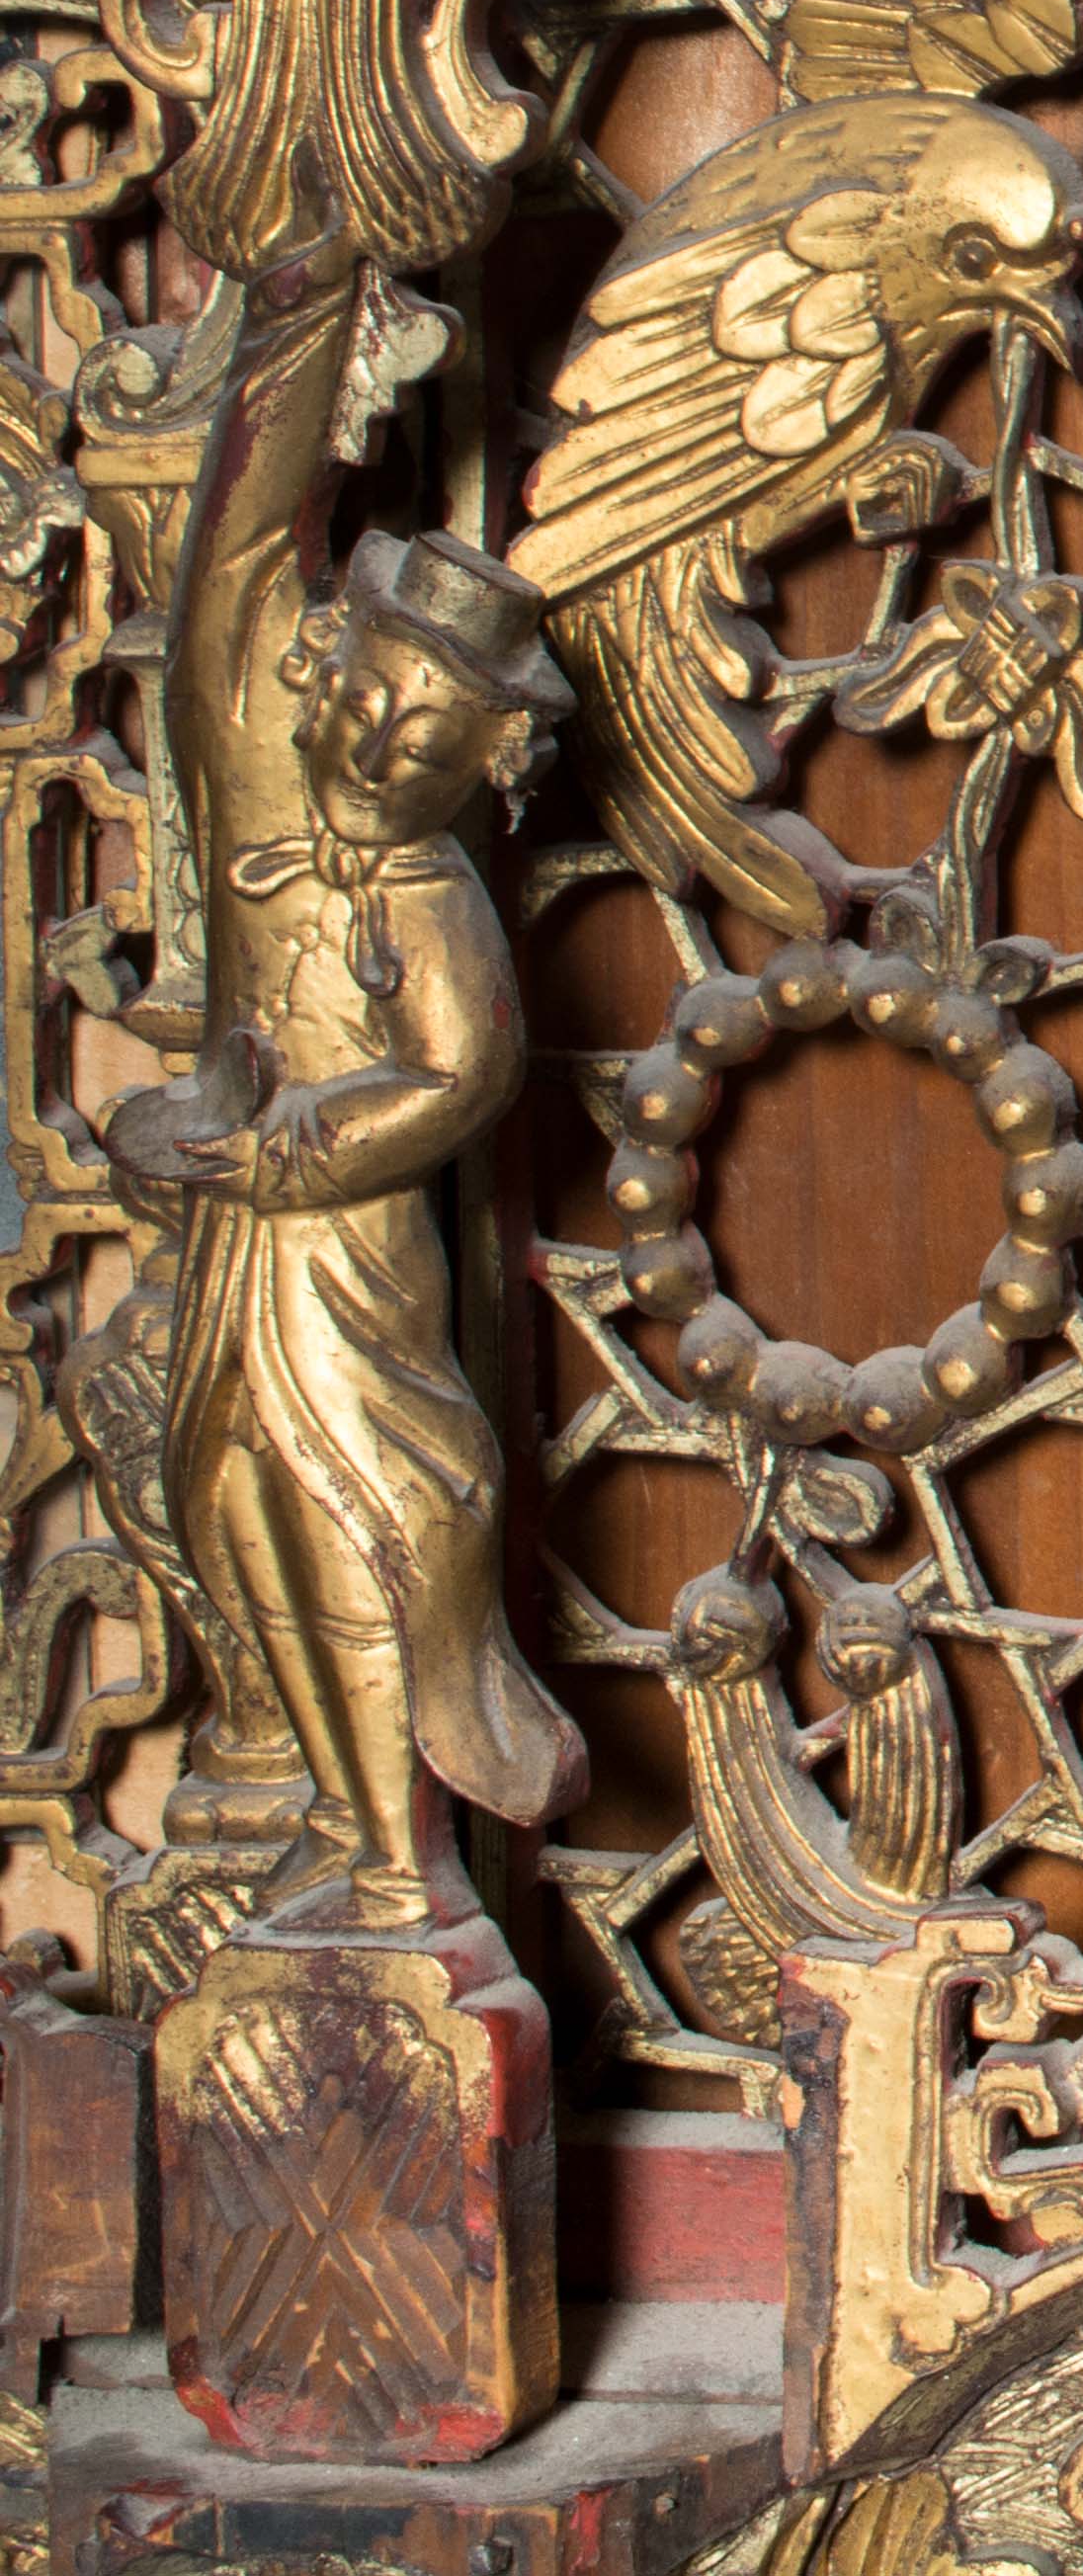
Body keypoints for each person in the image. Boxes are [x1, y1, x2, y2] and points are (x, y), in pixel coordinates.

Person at [107, 260, 588, 1933]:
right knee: (231, 1503)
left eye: (430, 742)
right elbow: (230, 557)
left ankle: (397, 1852)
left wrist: (304, 1141)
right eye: (376, 700)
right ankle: (333, 1809)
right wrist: (302, 299)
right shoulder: (257, 761)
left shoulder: (422, 886)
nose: (386, 744)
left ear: (476, 771)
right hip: (241, 1240)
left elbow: (473, 1067)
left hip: (341, 1248)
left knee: (369, 1514)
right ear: (327, 667)